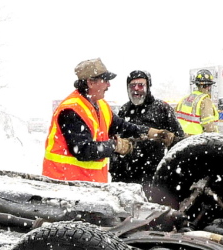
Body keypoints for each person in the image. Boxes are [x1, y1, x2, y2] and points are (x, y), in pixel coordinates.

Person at [43, 58, 176, 182]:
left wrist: (152, 132)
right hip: (65, 186)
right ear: (90, 82)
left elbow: (123, 126)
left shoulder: (100, 105)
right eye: (105, 80)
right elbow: (82, 150)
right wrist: (115, 146)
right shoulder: (71, 110)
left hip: (88, 185)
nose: (109, 85)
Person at [111, 70, 183, 186]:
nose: (136, 89)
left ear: (148, 87)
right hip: (126, 174)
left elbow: (177, 140)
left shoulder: (162, 108)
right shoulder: (124, 110)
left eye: (141, 85)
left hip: (152, 173)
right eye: (132, 86)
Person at [175, 69, 220, 136]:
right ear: (209, 86)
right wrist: (215, 137)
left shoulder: (184, 99)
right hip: (196, 140)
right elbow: (208, 124)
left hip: (182, 138)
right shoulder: (205, 100)